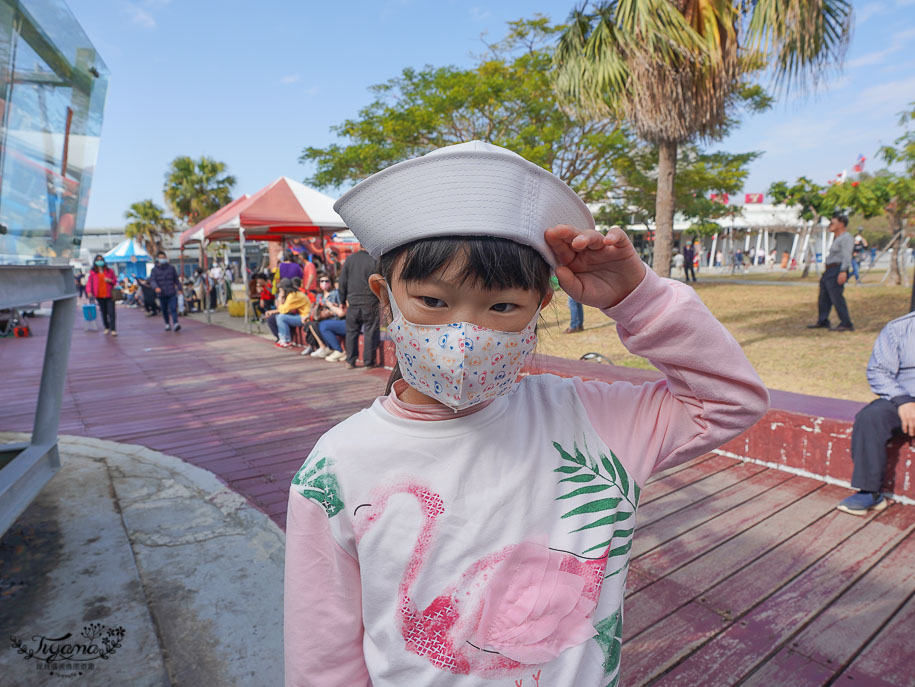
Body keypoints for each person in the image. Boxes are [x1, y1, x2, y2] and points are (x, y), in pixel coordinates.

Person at [283, 140, 769, 686]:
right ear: (386, 297)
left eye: (503, 307)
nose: (465, 337)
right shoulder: (337, 467)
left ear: (539, 309)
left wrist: (640, 298)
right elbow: (321, 651)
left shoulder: (589, 421)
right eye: (433, 302)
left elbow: (729, 401)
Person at [836, 260, 915, 516]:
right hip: (909, 398)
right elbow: (878, 371)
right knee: (872, 416)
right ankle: (869, 492)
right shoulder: (902, 327)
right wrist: (904, 402)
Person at [807, 213, 855, 332]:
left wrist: (843, 271)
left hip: (837, 270)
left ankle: (846, 323)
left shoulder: (846, 238)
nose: (830, 225)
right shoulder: (837, 238)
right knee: (824, 296)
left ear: (841, 224)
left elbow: (847, 256)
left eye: (832, 223)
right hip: (829, 270)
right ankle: (823, 320)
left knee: (836, 297)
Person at [338, 246, 380, 368]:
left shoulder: (350, 260)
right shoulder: (374, 260)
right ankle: (368, 362)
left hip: (353, 303)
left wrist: (341, 300)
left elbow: (342, 282)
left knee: (351, 332)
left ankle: (350, 361)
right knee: (370, 332)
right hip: (370, 303)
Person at [305, 274, 348, 361]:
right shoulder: (319, 296)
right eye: (322, 281)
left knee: (320, 325)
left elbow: (342, 310)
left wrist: (330, 312)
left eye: (326, 281)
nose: (324, 283)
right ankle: (323, 347)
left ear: (330, 282)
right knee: (311, 324)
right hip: (322, 318)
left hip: (334, 318)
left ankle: (334, 349)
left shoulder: (335, 293)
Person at [263, 278, 311, 348]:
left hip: (305, 317)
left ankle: (286, 340)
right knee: (277, 317)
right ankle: (281, 338)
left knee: (281, 317)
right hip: (300, 315)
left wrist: (280, 298)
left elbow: (283, 310)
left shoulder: (292, 296)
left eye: (281, 289)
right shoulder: (292, 294)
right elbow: (284, 309)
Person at [148, 251, 183, 332]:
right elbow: (152, 280)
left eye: (163, 257)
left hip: (171, 292)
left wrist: (180, 289)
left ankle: (175, 323)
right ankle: (167, 323)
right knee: (164, 309)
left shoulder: (171, 268)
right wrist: (156, 287)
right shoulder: (154, 270)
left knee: (173, 308)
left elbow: (176, 280)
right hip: (161, 293)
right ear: (157, 259)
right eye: (160, 258)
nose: (162, 259)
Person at [85, 254, 117, 336]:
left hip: (109, 295)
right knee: (103, 312)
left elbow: (115, 281)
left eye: (101, 260)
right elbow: (89, 283)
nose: (100, 261)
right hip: (99, 295)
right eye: (98, 260)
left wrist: (110, 280)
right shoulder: (92, 273)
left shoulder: (110, 271)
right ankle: (107, 327)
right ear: (95, 262)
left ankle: (113, 329)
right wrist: (89, 292)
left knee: (111, 312)